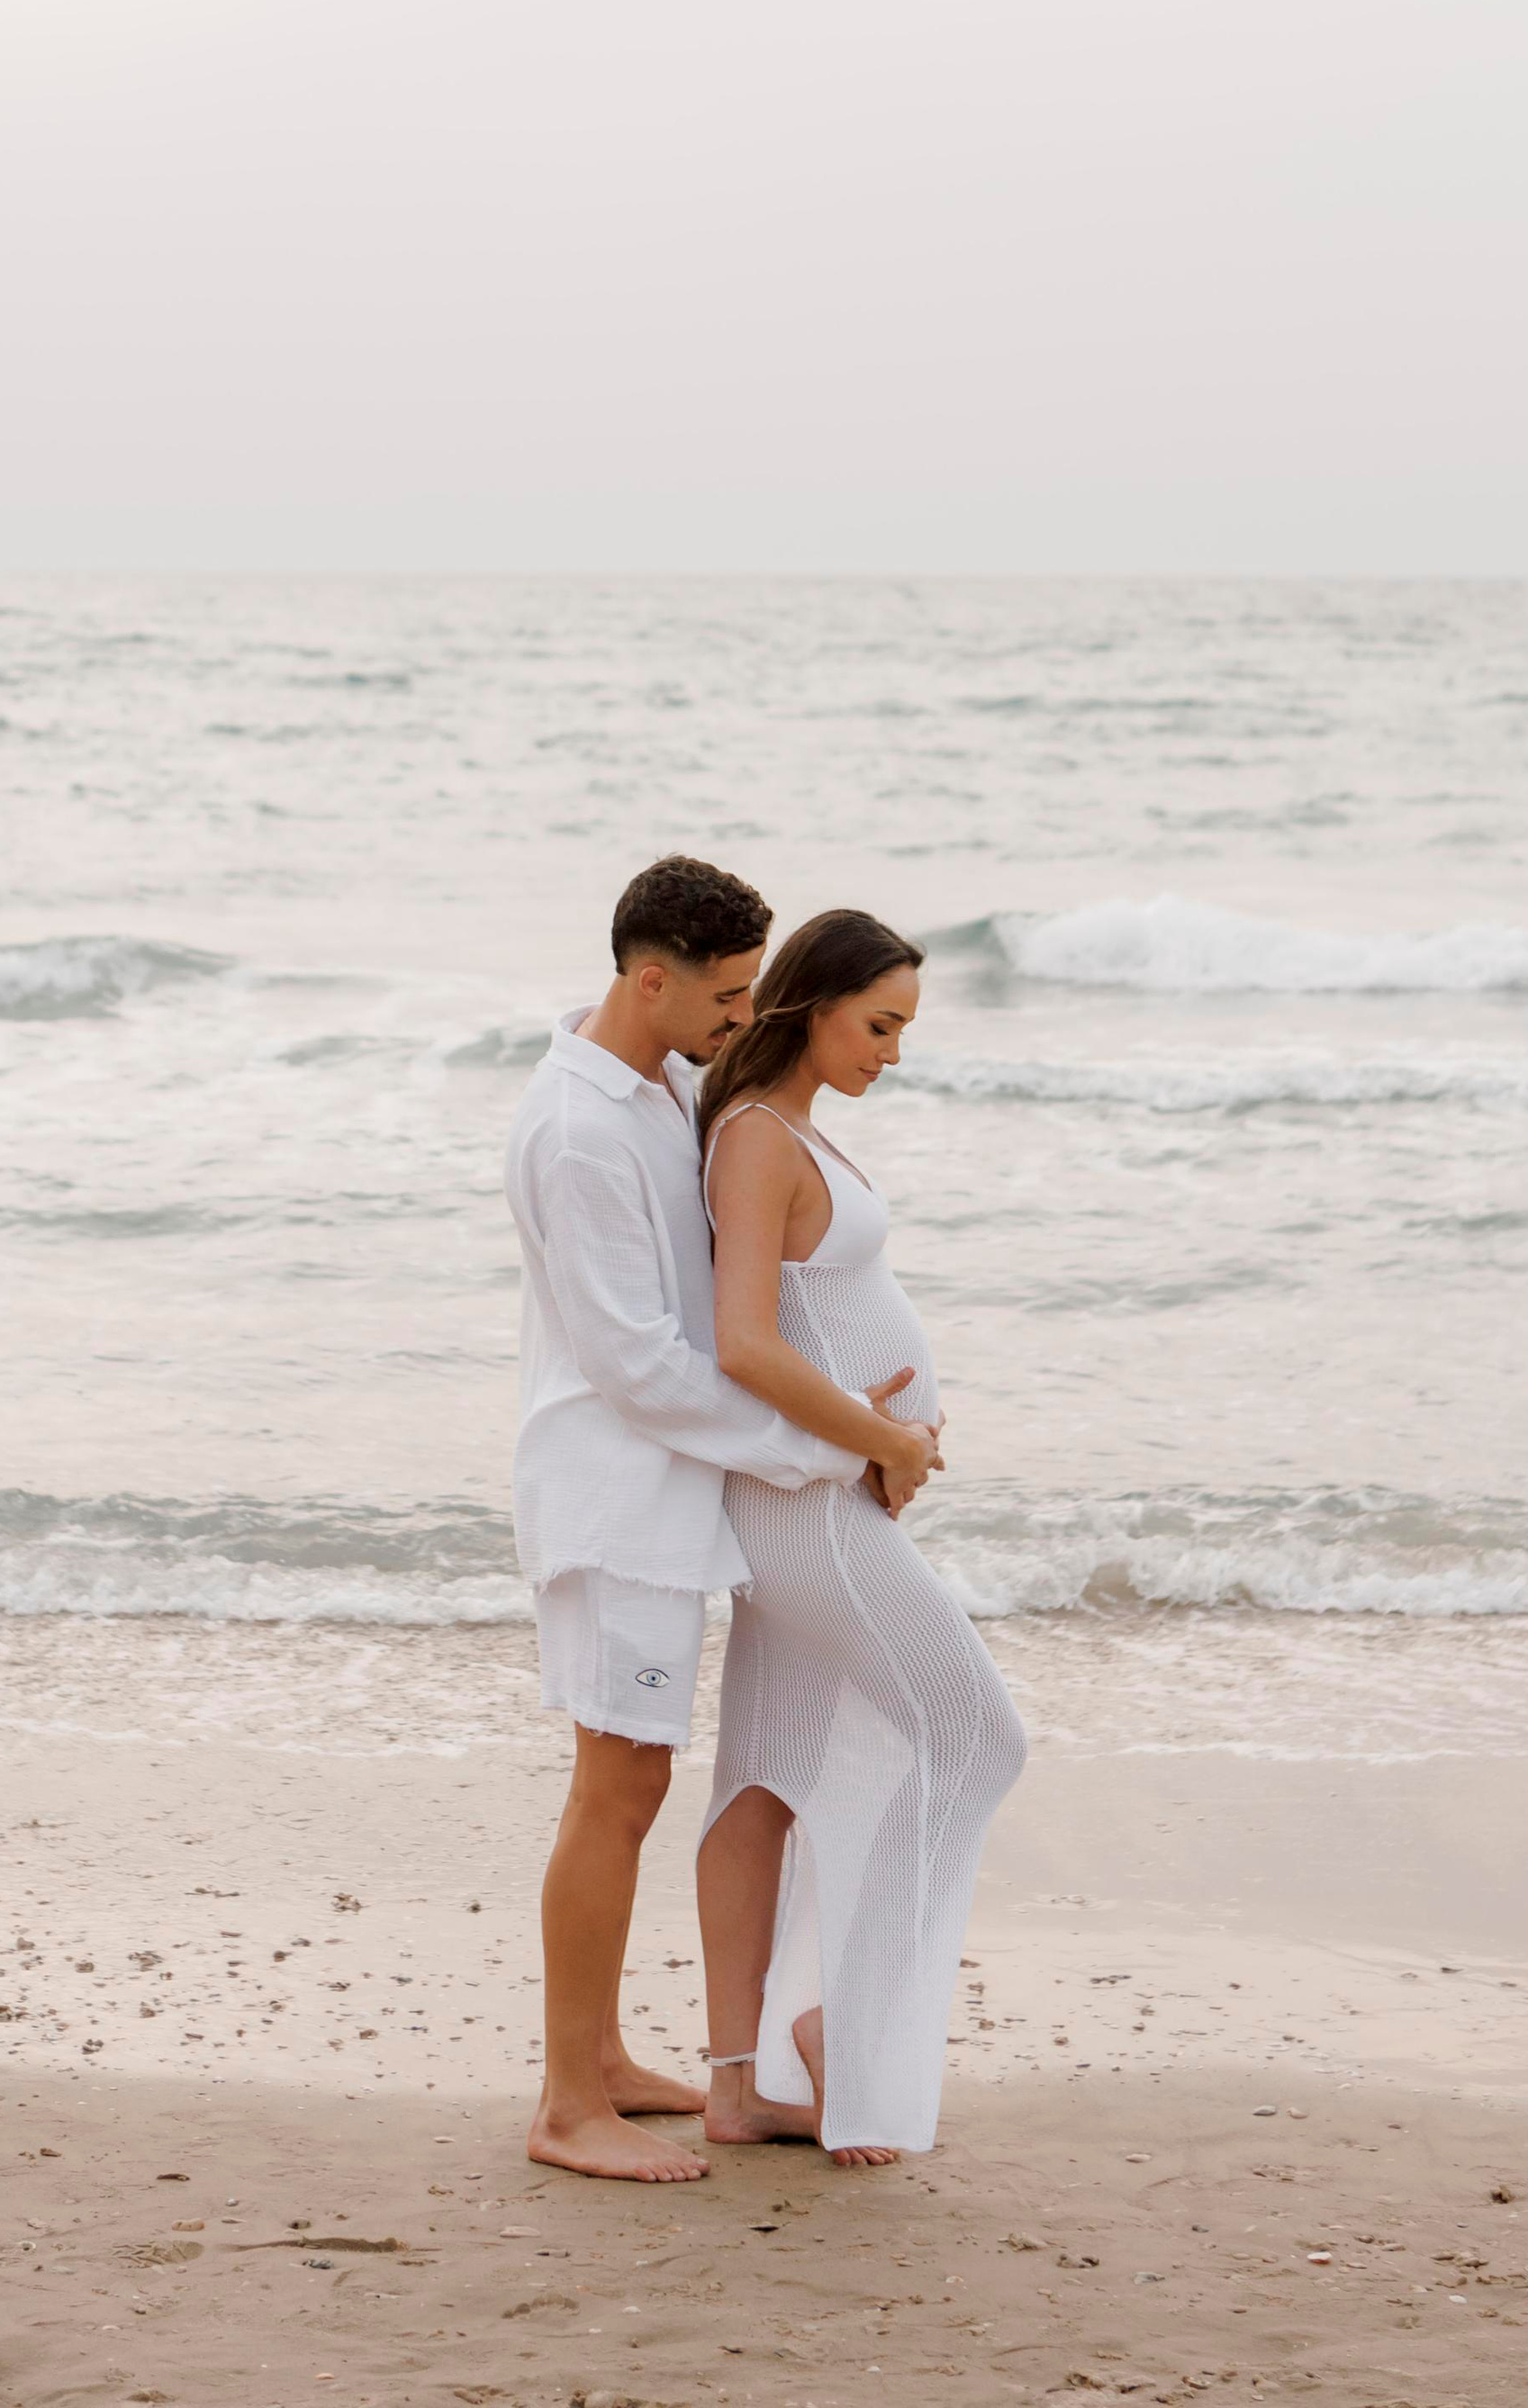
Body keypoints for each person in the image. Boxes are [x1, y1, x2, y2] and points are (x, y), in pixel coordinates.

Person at [507, 856, 943, 2184]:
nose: (740, 1019)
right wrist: (820, 1451)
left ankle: (605, 2065)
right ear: (653, 979)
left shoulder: (646, 1088)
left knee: (632, 1780)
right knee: (618, 1786)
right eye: (727, 994)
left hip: (664, 1496)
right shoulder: (578, 1131)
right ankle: (564, 2107)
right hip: (613, 1499)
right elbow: (637, 1361)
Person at [695, 907, 1027, 2165]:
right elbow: (745, 1342)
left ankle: (737, 2089)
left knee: (767, 1773)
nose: (894, 1051)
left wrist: (893, 1432)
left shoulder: (784, 1131)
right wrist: (880, 1441)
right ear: (812, 1002)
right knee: (976, 1737)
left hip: (818, 1497)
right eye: (878, 1024)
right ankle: (844, 2021)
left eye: (903, 1030)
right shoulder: (757, 1140)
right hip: (808, 1508)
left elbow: (816, 1321)